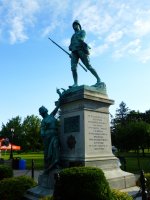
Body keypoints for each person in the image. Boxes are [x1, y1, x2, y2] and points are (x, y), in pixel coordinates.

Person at [69, 20, 101, 87]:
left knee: (88, 66)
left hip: (81, 50)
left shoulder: (82, 31)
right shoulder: (72, 36)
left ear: (79, 25)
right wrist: (71, 50)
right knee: (73, 68)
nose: (75, 26)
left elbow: (82, 38)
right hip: (74, 52)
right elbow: (70, 46)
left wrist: (79, 39)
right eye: (73, 26)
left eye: (76, 25)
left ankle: (98, 79)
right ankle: (75, 83)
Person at [39, 90, 61, 173]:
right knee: (48, 152)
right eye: (42, 112)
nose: (42, 113)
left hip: (55, 135)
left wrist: (59, 94)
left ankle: (55, 163)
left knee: (55, 148)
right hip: (47, 137)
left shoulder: (51, 115)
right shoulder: (43, 121)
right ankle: (48, 166)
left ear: (45, 111)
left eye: (42, 112)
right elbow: (42, 130)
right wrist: (43, 133)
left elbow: (58, 105)